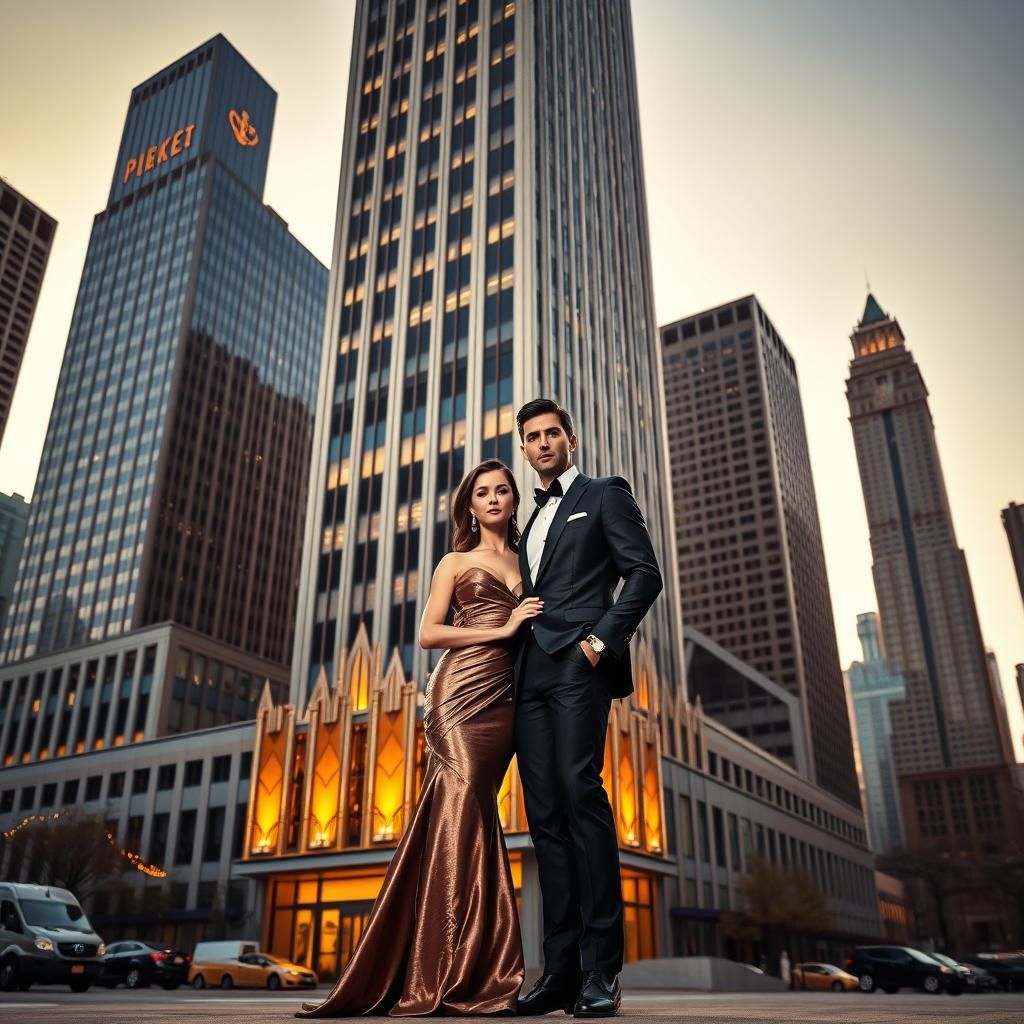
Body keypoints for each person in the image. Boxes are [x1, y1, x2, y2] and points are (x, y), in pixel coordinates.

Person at [297, 459, 541, 1017]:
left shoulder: (531, 558)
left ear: (512, 499)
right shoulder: (455, 561)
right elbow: (429, 633)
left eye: (503, 490)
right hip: (457, 697)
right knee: (462, 803)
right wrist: (500, 627)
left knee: (473, 811)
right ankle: (446, 967)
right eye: (484, 493)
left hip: (506, 698)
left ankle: (466, 962)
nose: (495, 499)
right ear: (471, 506)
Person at [513, 399, 663, 1018]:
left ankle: (603, 970)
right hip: (529, 672)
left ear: (571, 440)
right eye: (532, 437)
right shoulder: (528, 521)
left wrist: (600, 642)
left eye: (552, 433)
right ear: (524, 450)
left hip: (579, 662)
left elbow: (644, 573)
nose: (543, 443)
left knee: (580, 793)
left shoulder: (604, 493)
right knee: (544, 817)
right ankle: (561, 970)